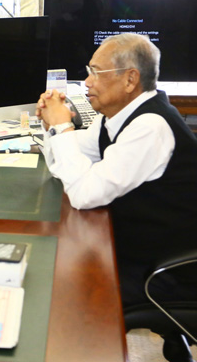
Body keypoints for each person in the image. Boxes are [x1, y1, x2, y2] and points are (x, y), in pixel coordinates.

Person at [36, 33, 197, 308]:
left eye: (96, 72)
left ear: (130, 79)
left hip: (163, 270)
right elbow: (63, 167)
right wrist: (52, 125)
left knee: (59, 290)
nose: (87, 82)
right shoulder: (112, 117)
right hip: (131, 246)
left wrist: (62, 127)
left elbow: (83, 194)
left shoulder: (150, 126)